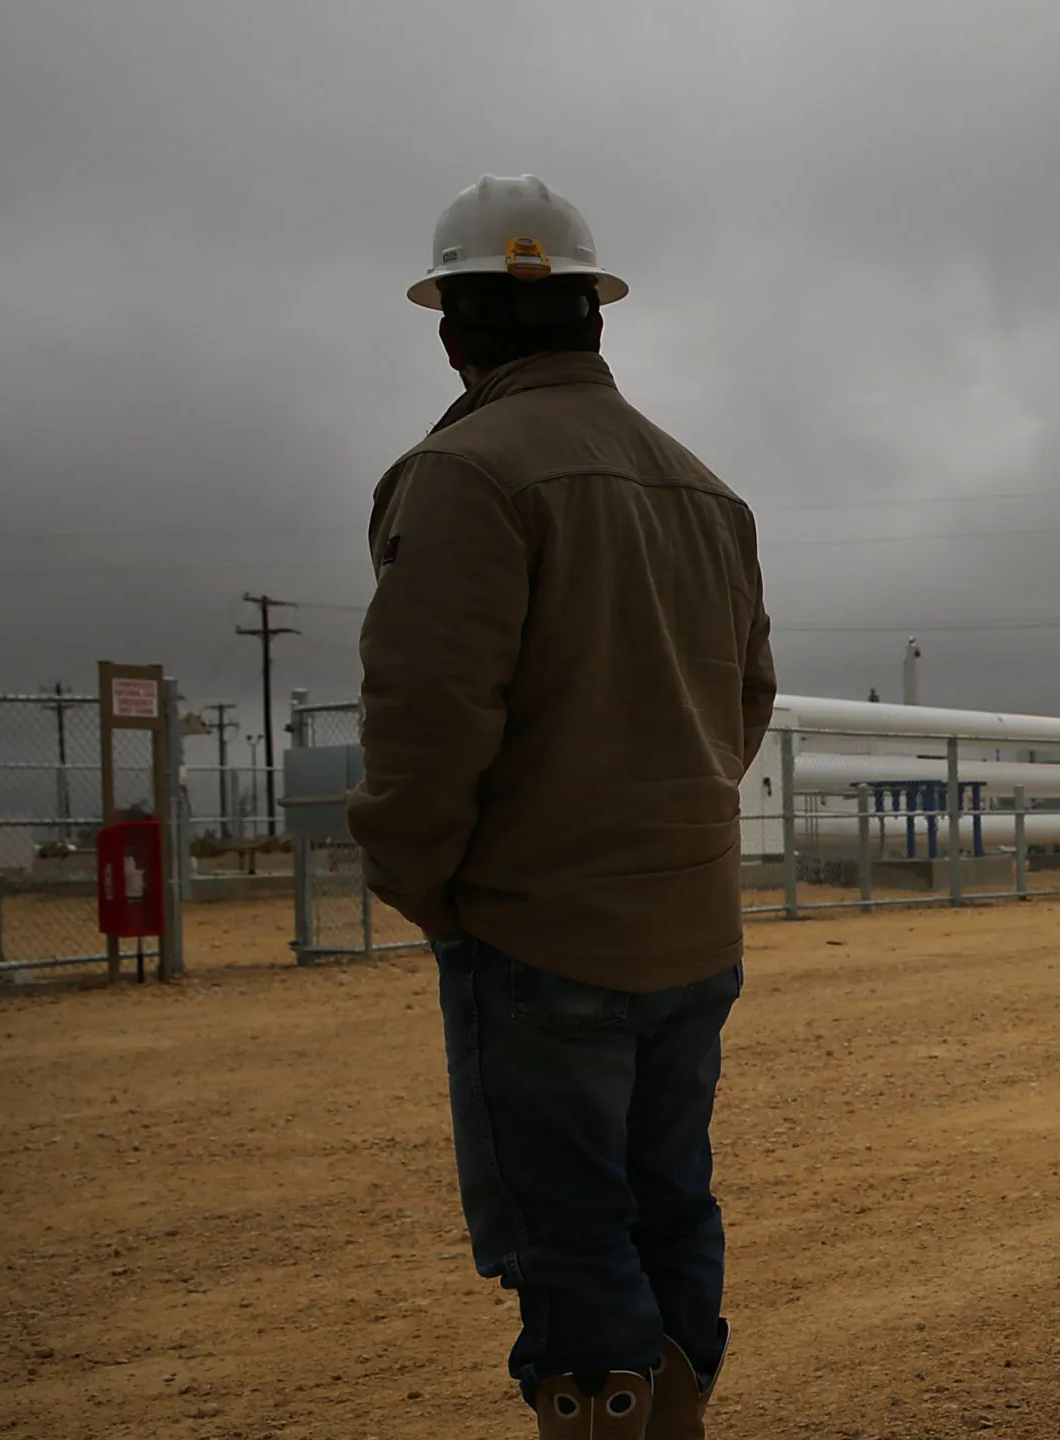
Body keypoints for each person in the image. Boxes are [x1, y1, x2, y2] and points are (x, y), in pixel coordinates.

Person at [349, 174, 775, 1439]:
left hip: (538, 935)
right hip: (690, 931)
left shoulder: (462, 473)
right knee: (667, 1202)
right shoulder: (705, 488)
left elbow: (428, 719)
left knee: (569, 1224)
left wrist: (427, 884)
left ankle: (609, 1411)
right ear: (595, 315)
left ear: (451, 330)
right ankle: (675, 1406)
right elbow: (742, 700)